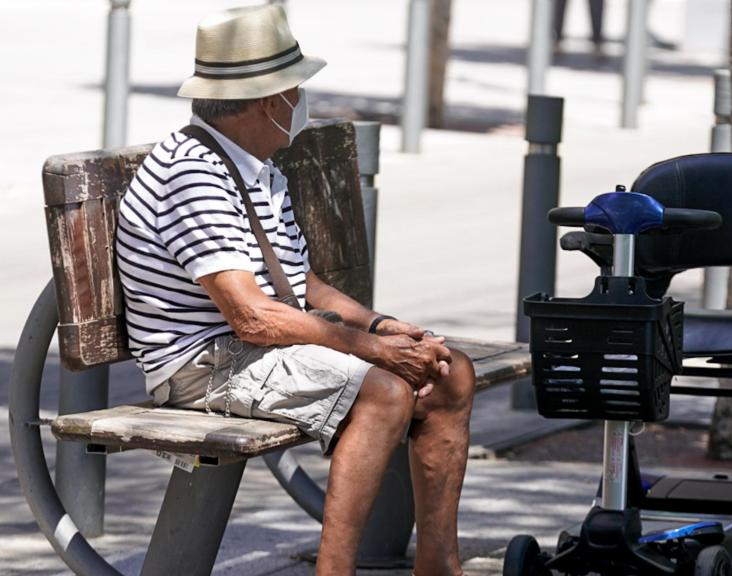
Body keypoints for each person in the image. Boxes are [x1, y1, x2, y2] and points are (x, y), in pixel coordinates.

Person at [114, 5, 475, 575]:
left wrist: (383, 327)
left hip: (254, 346)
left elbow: (300, 286)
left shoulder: (256, 166)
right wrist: (371, 350)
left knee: (448, 369)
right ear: (268, 100)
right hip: (202, 364)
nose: (302, 100)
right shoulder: (194, 173)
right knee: (383, 390)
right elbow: (252, 318)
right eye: (296, 88)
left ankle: (439, 565)